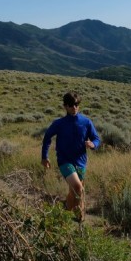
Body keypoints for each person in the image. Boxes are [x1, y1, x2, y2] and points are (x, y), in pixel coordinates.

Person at [41, 91, 101, 221]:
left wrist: (93, 144)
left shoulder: (86, 122)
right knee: (79, 187)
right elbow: (47, 138)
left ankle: (65, 214)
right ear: (65, 106)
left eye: (76, 104)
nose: (74, 107)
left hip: (81, 162)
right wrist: (44, 157)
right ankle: (80, 217)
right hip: (65, 161)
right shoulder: (59, 123)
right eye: (71, 105)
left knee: (73, 191)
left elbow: (97, 139)